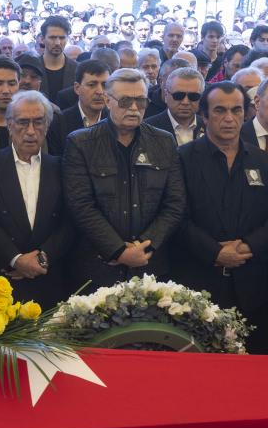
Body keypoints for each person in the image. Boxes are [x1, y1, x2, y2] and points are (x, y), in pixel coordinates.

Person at [175, 82, 268, 354]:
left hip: (251, 284)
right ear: (204, 116)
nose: (229, 118)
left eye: (236, 110)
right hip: (198, 281)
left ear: (246, 113)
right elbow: (177, 217)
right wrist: (215, 252)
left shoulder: (263, 161)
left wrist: (247, 247)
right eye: (220, 111)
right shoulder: (182, 158)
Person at [64, 68, 185, 287]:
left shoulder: (164, 141)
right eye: (125, 101)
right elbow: (80, 205)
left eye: (141, 101)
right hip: (98, 266)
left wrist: (143, 247)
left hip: (150, 266)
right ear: (108, 101)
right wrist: (118, 251)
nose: (134, 108)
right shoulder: (80, 143)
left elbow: (175, 203)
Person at [0, 91, 73, 306]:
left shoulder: (62, 167)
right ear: (9, 124)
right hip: (1, 277)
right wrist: (16, 259)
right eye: (22, 122)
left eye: (38, 123)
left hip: (49, 279)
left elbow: (69, 221)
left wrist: (42, 258)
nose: (30, 131)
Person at [145, 67, 204, 145]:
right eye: (178, 95)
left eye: (193, 96)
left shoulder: (209, 127)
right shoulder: (147, 129)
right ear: (166, 95)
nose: (185, 102)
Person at [60, 60, 108, 135]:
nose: (100, 92)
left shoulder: (115, 120)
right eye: (92, 85)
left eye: (105, 85)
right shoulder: (60, 122)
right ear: (77, 88)